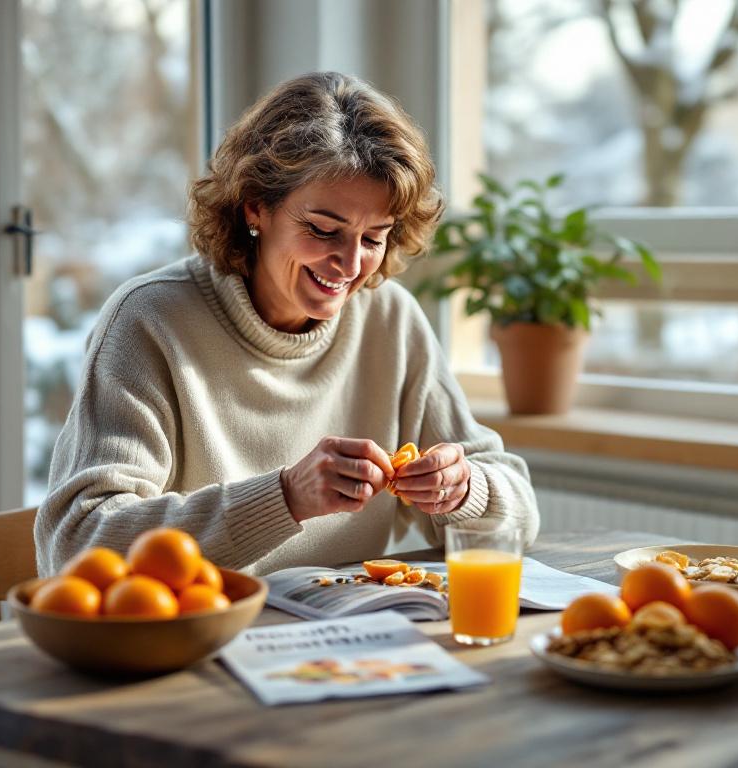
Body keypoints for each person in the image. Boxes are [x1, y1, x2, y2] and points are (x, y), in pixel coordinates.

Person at [35, 72, 539, 576]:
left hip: (353, 641)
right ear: (256, 206)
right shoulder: (150, 320)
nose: (350, 264)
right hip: (200, 638)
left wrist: (464, 488)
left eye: (374, 238)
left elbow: (521, 513)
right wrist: (284, 499)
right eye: (323, 230)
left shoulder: (390, 319)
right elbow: (78, 542)